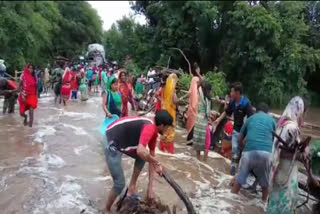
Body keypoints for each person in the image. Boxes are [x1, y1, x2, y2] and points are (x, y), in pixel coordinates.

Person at [102, 110, 172, 213]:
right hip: (111, 141)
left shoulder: (153, 133)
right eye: (167, 127)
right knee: (119, 184)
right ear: (161, 125)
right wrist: (157, 162)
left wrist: (150, 188)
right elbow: (140, 151)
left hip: (122, 140)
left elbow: (150, 158)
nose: (167, 130)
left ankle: (132, 187)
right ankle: (106, 209)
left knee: (143, 156)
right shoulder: (150, 128)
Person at [267, 96, 310, 214]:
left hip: (278, 169)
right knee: (285, 202)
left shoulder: (282, 123)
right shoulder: (292, 127)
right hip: (286, 172)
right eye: (304, 112)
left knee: (275, 200)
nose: (304, 115)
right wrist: (301, 155)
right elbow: (286, 152)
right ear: (299, 110)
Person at [231, 103, 276, 201]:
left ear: (256, 111)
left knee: (238, 182)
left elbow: (239, 139)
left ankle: (230, 201)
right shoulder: (272, 121)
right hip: (266, 154)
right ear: (267, 112)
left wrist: (243, 148)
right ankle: (263, 204)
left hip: (249, 152)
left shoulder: (250, 119)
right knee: (265, 186)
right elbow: (274, 141)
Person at [214, 82, 254, 175]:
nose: (230, 94)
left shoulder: (246, 104)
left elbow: (252, 120)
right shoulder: (232, 102)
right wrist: (218, 120)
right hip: (236, 131)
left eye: (232, 92)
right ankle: (232, 171)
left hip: (245, 133)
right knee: (235, 149)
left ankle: (242, 172)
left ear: (237, 93)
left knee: (244, 153)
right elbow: (226, 112)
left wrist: (248, 135)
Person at [193, 80, 213, 161]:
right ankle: (204, 162)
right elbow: (208, 113)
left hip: (197, 120)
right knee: (207, 143)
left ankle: (197, 161)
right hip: (204, 121)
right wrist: (210, 120)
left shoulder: (199, 94)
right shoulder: (208, 99)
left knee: (198, 142)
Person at [159, 73, 178, 154]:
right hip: (170, 113)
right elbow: (175, 101)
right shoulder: (172, 90)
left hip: (164, 111)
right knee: (170, 132)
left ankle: (161, 150)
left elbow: (161, 97)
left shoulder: (163, 87)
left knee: (164, 131)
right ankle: (169, 152)